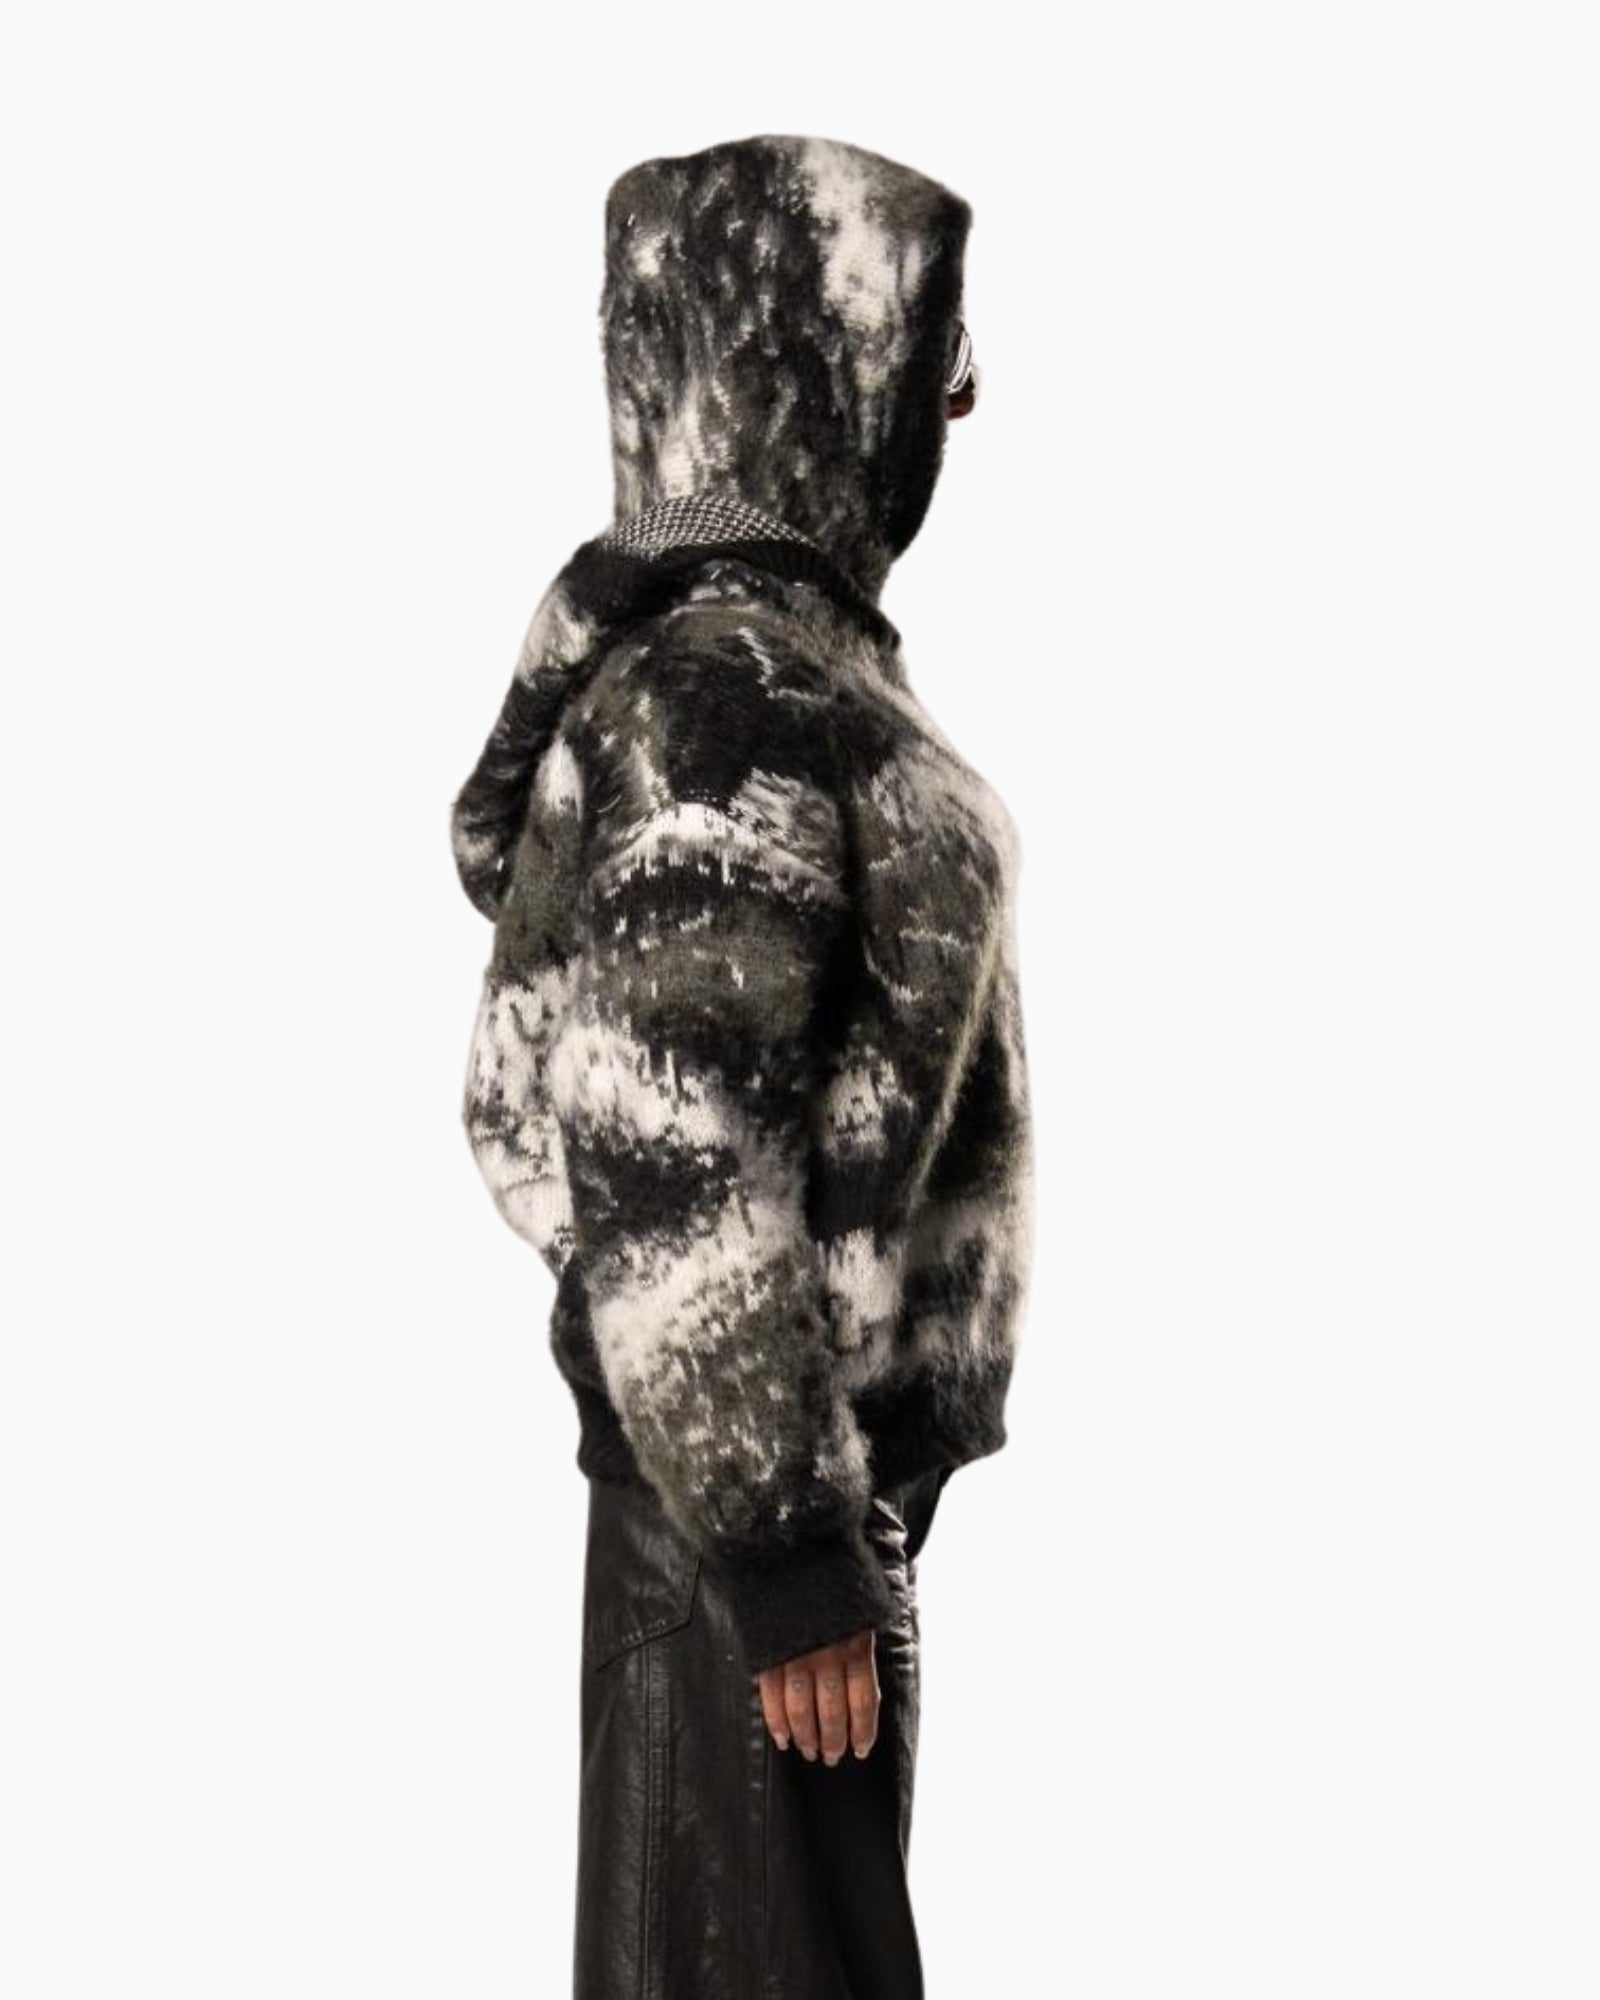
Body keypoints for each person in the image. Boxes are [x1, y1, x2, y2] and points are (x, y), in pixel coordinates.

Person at [451, 132, 1034, 1999]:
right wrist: (782, 1548)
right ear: (807, 358)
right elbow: (667, 1142)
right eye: (932, 348)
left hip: (771, 1541)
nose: (960, 402)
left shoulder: (782, 672)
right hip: (736, 1561)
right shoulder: (724, 694)